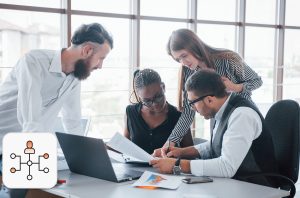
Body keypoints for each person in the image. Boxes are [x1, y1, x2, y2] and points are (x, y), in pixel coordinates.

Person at [0, 23, 113, 198]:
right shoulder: (34, 61)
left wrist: (90, 159)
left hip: (25, 146)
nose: (100, 66)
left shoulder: (74, 79)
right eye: (101, 58)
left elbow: (73, 123)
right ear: (87, 50)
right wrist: (40, 166)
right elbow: (31, 120)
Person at [150, 70, 277, 186]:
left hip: (257, 185)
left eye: (192, 103)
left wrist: (177, 165)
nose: (192, 108)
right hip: (237, 182)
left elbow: (226, 167)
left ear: (209, 100)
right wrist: (180, 152)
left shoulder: (241, 115)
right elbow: (215, 144)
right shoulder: (223, 108)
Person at [153, 28, 263, 154]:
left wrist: (235, 87)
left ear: (194, 46)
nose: (183, 62)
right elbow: (189, 111)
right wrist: (170, 142)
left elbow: (257, 81)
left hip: (243, 118)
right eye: (178, 60)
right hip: (219, 122)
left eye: (184, 56)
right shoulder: (188, 72)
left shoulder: (228, 59)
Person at [124, 68, 193, 154]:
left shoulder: (178, 115)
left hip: (167, 167)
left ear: (163, 87)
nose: (155, 104)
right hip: (133, 167)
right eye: (147, 101)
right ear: (139, 97)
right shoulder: (130, 112)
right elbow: (125, 146)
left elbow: (190, 153)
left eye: (158, 97)